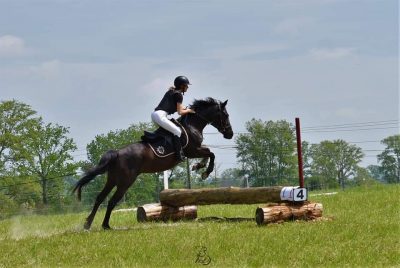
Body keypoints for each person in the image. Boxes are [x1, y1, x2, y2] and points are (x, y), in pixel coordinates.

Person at [151, 76, 195, 161]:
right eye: (186, 85)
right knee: (177, 131)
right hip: (160, 115)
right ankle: (179, 155)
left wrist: (187, 109)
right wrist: (189, 110)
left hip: (156, 114)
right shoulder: (179, 95)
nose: (187, 87)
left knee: (170, 131)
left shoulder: (172, 91)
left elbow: (181, 108)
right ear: (181, 86)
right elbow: (180, 112)